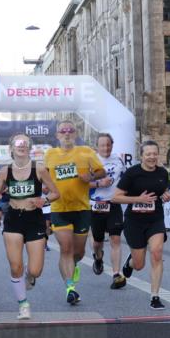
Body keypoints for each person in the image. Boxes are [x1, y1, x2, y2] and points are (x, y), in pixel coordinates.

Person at [0, 134, 59, 319]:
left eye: (25, 143)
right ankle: (23, 304)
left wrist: (43, 200)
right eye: (17, 143)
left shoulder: (40, 169)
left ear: (29, 147)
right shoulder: (4, 171)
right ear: (11, 148)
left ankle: (29, 275)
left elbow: (55, 193)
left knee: (36, 270)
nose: (21, 145)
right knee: (15, 266)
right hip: (13, 219)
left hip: (34, 219)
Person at [44, 119, 106, 306]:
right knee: (66, 249)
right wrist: (45, 190)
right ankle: (70, 288)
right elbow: (44, 176)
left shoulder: (86, 152)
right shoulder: (50, 154)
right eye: (63, 131)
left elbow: (101, 172)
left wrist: (91, 176)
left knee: (78, 252)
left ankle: (75, 264)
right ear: (57, 135)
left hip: (81, 209)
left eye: (70, 130)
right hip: (59, 208)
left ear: (76, 134)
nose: (67, 133)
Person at [113, 141, 170, 309]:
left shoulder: (162, 172)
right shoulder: (132, 173)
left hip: (155, 219)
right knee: (139, 265)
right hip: (134, 221)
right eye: (148, 154)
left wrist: (165, 195)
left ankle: (155, 296)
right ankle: (130, 262)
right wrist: (138, 199)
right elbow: (116, 197)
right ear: (142, 156)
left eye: (155, 153)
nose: (152, 157)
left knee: (156, 253)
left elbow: (161, 192)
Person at [89, 133, 127, 288]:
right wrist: (99, 184)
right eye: (102, 145)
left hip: (113, 204)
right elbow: (80, 183)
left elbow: (125, 180)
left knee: (115, 239)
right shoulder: (90, 161)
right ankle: (98, 257)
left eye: (108, 144)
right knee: (97, 242)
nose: (106, 148)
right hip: (96, 205)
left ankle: (116, 274)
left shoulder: (118, 160)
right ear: (97, 146)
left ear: (112, 145)